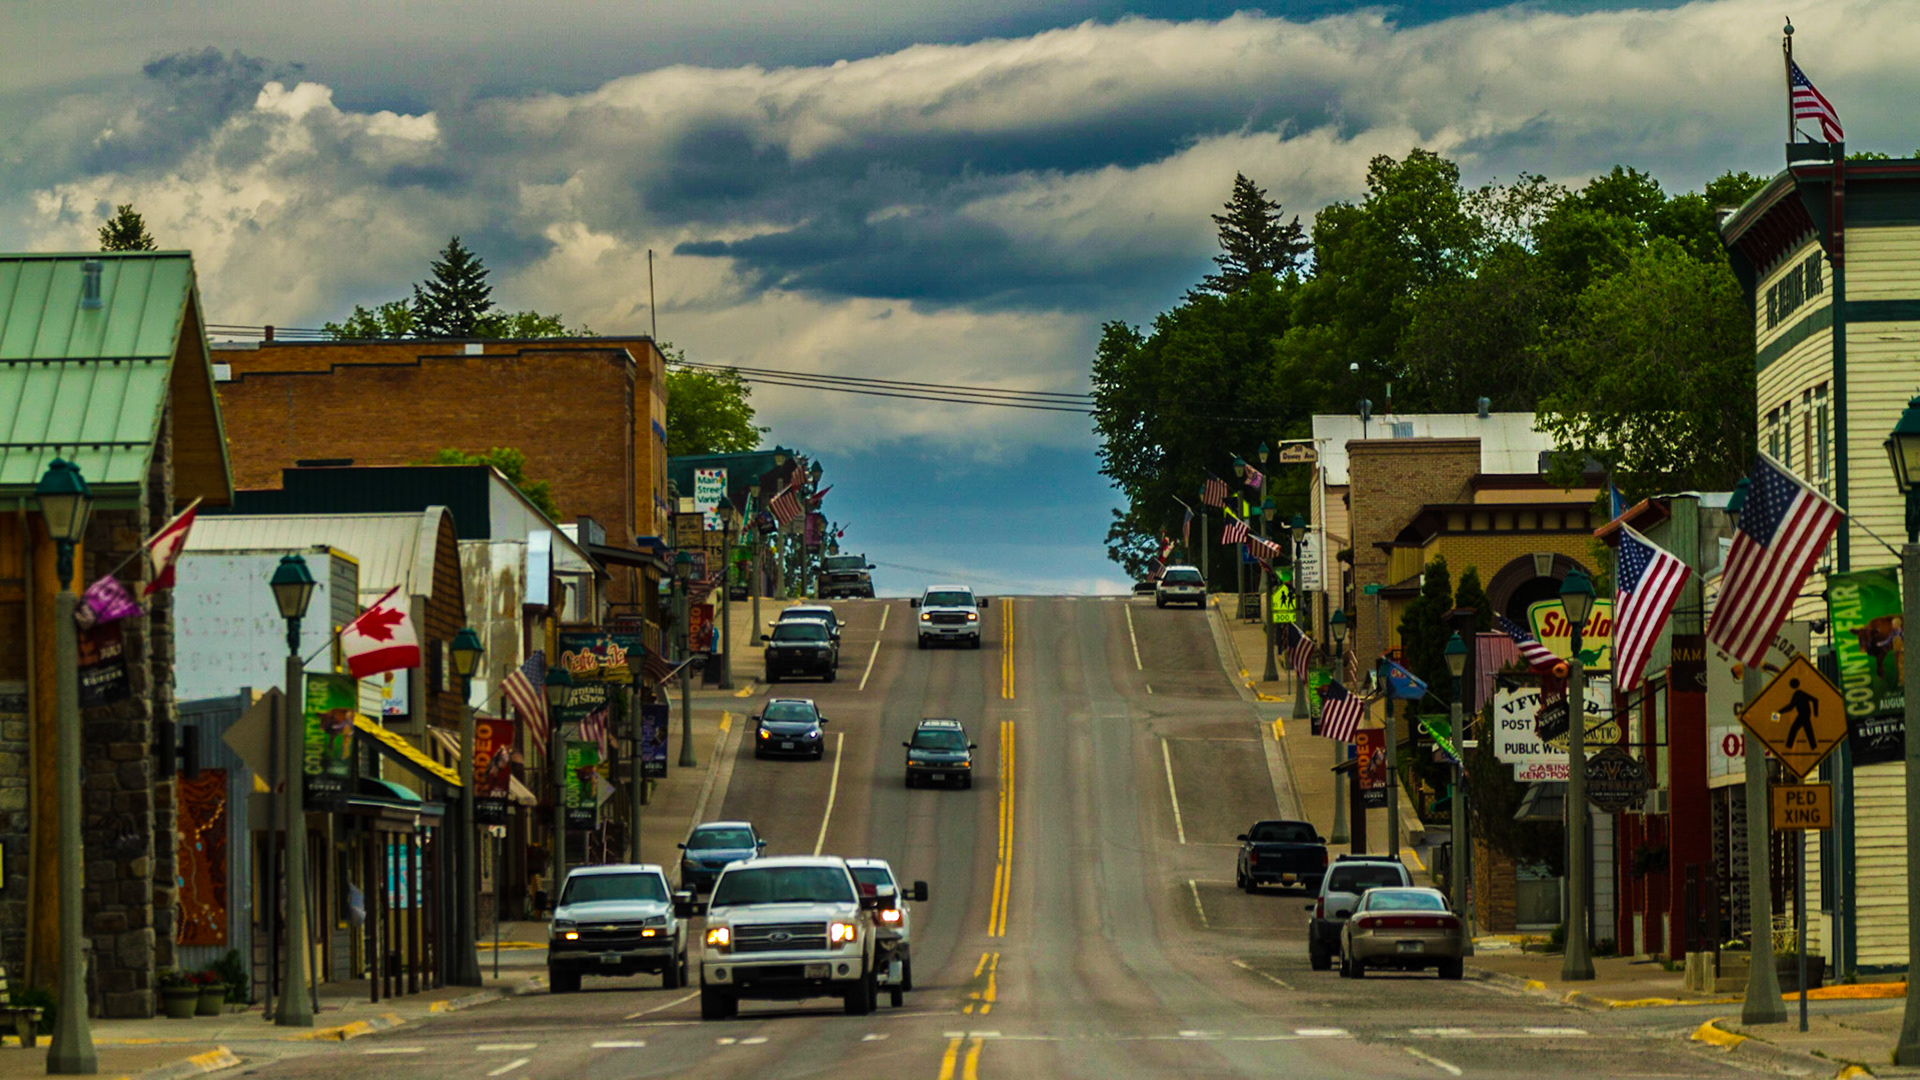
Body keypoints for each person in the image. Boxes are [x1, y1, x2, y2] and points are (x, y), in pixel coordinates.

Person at [1782, 678, 1820, 749]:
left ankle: (1788, 747)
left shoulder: (1798, 693)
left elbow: (1791, 706)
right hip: (1805, 714)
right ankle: (1814, 747)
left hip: (1803, 715)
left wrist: (1779, 712)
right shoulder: (1800, 693)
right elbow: (1815, 700)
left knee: (1794, 729)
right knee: (1808, 732)